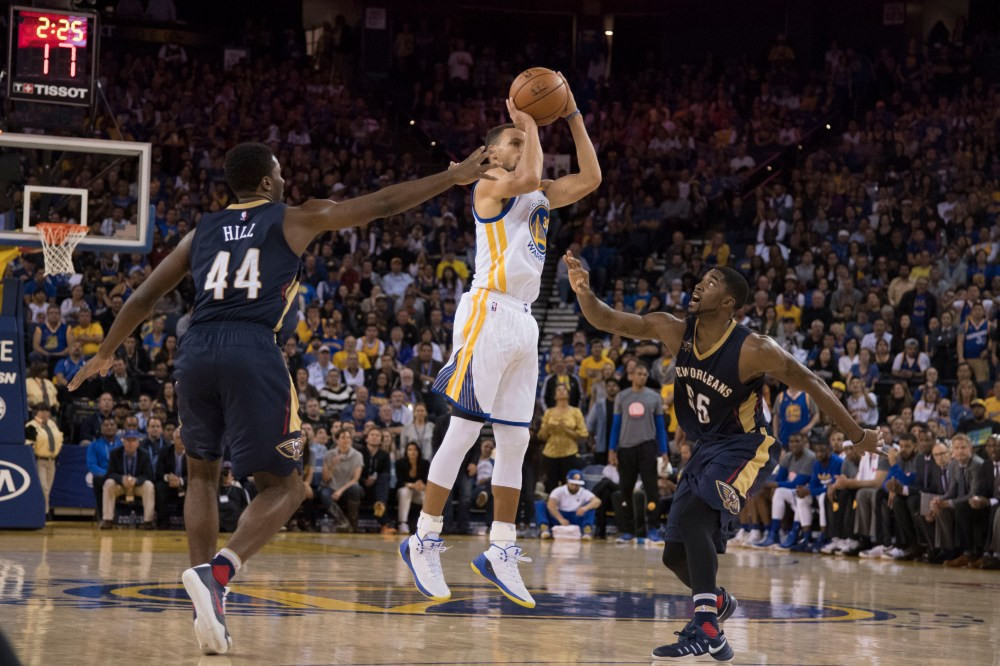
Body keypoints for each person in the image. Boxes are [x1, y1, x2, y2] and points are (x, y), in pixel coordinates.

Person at [68, 141, 493, 655]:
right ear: (267, 183)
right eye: (281, 173)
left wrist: (106, 352)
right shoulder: (292, 217)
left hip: (196, 346)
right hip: (251, 347)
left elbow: (142, 297)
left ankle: (208, 606)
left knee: (201, 471)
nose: (286, 180)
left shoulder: (200, 231)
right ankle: (219, 575)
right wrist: (454, 177)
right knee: (289, 488)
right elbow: (381, 204)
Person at [564, 257, 883, 661]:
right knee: (674, 553)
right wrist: (582, 291)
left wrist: (858, 435)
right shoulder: (672, 327)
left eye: (711, 282)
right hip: (706, 449)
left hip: (747, 446)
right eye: (702, 279)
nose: (700, 285)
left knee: (697, 517)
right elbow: (608, 320)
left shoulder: (754, 349)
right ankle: (717, 602)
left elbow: (813, 382)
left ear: (729, 302)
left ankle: (706, 626)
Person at [401, 82, 600, 609]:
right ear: (492, 155)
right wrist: (534, 122)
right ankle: (423, 535)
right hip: (486, 311)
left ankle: (501, 549)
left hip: (523, 319)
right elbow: (529, 173)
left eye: (523, 138)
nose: (522, 145)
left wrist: (572, 114)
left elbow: (592, 177)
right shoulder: (489, 184)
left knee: (514, 443)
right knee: (465, 430)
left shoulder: (536, 193)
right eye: (513, 140)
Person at [608, 364, 667, 543]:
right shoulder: (622, 396)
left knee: (652, 489)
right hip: (625, 448)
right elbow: (616, 425)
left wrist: (664, 451)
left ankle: (653, 529)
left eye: (645, 374)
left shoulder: (654, 397)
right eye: (639, 374)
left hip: (647, 447)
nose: (642, 376)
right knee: (625, 490)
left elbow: (660, 427)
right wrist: (612, 449)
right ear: (631, 375)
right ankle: (628, 531)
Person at [101, 431, 156, 530]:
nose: (131, 443)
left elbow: (148, 475)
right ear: (123, 441)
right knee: (108, 483)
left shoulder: (144, 454)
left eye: (133, 440)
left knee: (149, 485)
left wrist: (137, 480)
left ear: (138, 443)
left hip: (137, 486)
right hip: (120, 486)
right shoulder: (115, 453)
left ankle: (148, 521)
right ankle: (107, 520)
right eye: (128, 440)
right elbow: (110, 474)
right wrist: (122, 479)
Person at [538, 385, 589, 492]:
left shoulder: (576, 411)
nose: (561, 392)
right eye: (558, 390)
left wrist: (565, 429)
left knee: (568, 485)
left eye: (564, 389)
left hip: (569, 453)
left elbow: (583, 433)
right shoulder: (549, 412)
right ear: (555, 396)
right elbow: (542, 436)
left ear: (568, 394)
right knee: (551, 485)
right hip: (550, 453)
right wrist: (548, 427)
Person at [536, 469, 602, 539]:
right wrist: (560, 519)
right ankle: (544, 529)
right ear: (567, 482)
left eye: (577, 485)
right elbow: (551, 505)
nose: (574, 487)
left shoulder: (584, 492)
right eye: (572, 484)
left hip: (576, 516)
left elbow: (597, 501)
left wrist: (585, 508)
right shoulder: (558, 490)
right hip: (559, 516)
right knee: (540, 504)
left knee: (591, 507)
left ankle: (587, 530)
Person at [25, 405, 64, 516]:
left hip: (52, 461)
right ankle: (44, 513)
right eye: (42, 410)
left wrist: (57, 450)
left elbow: (59, 438)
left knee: (48, 488)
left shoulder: (52, 424)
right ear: (36, 412)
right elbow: (28, 444)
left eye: (47, 410)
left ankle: (43, 511)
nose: (45, 413)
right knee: (43, 488)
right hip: (39, 460)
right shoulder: (31, 426)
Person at [155, 427, 188, 529]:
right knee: (160, 487)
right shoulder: (164, 452)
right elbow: (159, 472)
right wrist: (168, 477)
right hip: (169, 483)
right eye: (179, 437)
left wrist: (181, 481)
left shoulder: (192, 455)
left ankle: (189, 524)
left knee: (195, 487)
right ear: (173, 439)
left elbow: (194, 475)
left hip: (185, 483)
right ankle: (163, 523)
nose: (181, 440)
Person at [396, 441, 431, 533]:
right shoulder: (400, 463)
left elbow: (427, 481)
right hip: (403, 491)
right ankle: (403, 523)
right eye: (410, 449)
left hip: (419, 491)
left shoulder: (425, 463)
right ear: (406, 452)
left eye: (415, 449)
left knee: (425, 495)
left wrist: (422, 485)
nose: (412, 452)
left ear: (419, 452)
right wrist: (411, 485)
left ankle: (426, 525)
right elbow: (399, 482)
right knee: (405, 491)